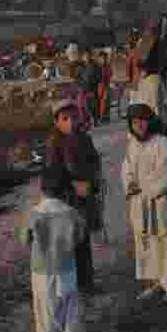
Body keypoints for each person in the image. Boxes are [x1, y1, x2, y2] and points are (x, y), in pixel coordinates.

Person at [22, 165, 86, 332]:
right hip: (67, 266)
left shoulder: (34, 213)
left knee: (44, 309)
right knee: (70, 305)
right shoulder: (72, 213)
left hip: (42, 270)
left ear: (42, 188)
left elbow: (24, 238)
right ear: (65, 189)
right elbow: (80, 236)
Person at [123, 103, 167, 302]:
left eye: (142, 121)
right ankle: (154, 283)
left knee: (164, 244)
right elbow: (127, 171)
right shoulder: (132, 144)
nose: (139, 125)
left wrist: (143, 188)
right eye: (135, 122)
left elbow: (165, 176)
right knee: (145, 244)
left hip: (159, 202)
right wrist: (130, 184)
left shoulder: (162, 142)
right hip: (140, 205)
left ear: (150, 122)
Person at [46, 100, 102, 294]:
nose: (70, 122)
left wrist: (93, 185)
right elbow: (52, 178)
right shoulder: (54, 144)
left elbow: (95, 164)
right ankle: (71, 283)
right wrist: (72, 186)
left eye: (73, 117)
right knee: (69, 243)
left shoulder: (85, 139)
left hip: (84, 199)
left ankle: (87, 280)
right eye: (64, 119)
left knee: (83, 240)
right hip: (66, 200)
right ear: (56, 122)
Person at [77, 50, 102, 127]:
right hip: (83, 89)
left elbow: (99, 76)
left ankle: (95, 120)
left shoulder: (95, 65)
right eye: (85, 56)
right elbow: (78, 77)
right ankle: (86, 121)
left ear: (90, 56)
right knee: (84, 105)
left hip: (92, 88)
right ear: (82, 57)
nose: (86, 57)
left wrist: (93, 84)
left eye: (87, 55)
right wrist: (81, 85)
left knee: (94, 105)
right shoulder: (80, 66)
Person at [97, 51, 112, 123]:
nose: (103, 59)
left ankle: (106, 117)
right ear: (99, 58)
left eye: (105, 58)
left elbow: (110, 75)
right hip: (99, 86)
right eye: (102, 58)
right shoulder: (98, 66)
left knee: (106, 101)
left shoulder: (108, 66)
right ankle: (101, 117)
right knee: (101, 102)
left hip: (106, 86)